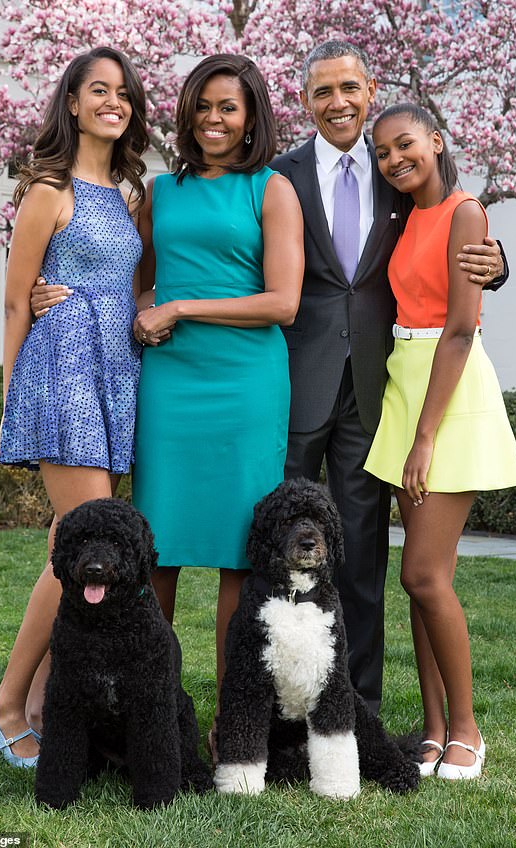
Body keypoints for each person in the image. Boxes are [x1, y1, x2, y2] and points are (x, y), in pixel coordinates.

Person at [272, 40, 508, 715]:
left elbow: (451, 234)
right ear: (305, 101)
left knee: (362, 555)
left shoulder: (396, 171)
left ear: (370, 90)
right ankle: (279, 703)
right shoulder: (280, 176)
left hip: (379, 392)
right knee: (277, 545)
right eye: (322, 91)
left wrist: (497, 263)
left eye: (349, 87)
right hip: (296, 381)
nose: (337, 102)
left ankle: (357, 712)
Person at [0, 47, 149, 767]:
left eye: (123, 93)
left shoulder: (131, 193)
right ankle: (7, 704)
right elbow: (16, 300)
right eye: (98, 90)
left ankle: (42, 704)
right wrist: (12, 397)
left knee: (71, 543)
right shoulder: (48, 189)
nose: (113, 102)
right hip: (62, 371)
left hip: (116, 371)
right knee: (83, 539)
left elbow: (132, 285)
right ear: (72, 103)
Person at [131, 54, 303, 757]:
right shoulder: (159, 192)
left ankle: (234, 726)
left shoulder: (273, 189)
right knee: (154, 550)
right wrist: (144, 308)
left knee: (241, 555)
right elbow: (137, 283)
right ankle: (150, 723)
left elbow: (283, 302)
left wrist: (181, 307)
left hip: (245, 384)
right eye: (202, 105)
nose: (213, 119)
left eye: (228, 107)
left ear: (251, 115)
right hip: (171, 385)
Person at [364, 103, 516, 778]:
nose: (394, 160)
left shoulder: (465, 211)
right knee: (426, 581)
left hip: (447, 393)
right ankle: (432, 730)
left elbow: (460, 329)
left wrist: (425, 436)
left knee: (422, 574)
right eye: (382, 153)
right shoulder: (404, 215)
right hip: (405, 382)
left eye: (405, 145)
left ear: (436, 140)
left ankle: (467, 730)